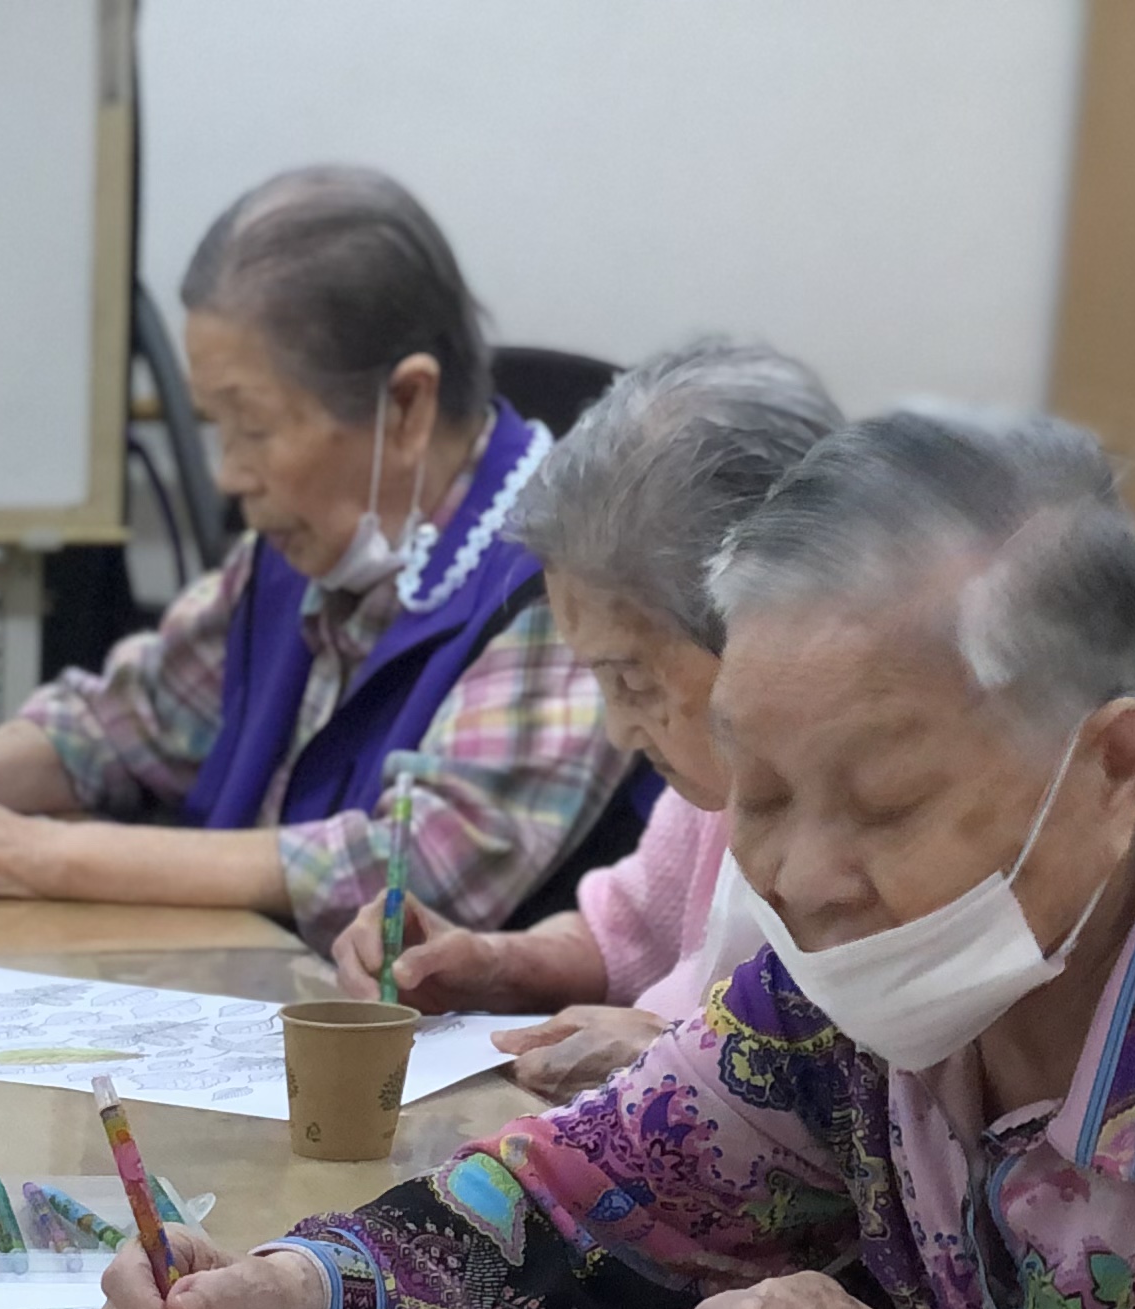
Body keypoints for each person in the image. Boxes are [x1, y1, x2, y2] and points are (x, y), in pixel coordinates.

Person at [98, 409, 1135, 1309]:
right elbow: (573, 1203)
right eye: (761, 793)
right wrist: (292, 1297)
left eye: (886, 803)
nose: (800, 879)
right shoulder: (851, 992)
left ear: (1108, 771)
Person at [0, 167, 635, 942]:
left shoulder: (564, 576)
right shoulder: (302, 552)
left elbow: (418, 868)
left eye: (253, 427)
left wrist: (39, 854)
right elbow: (125, 721)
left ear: (407, 405)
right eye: (216, 426)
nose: (228, 474)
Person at [328, 340, 842, 1096]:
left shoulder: (871, 831)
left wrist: (681, 1057)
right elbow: (625, 931)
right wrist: (493, 966)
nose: (618, 731)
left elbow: (876, 1095)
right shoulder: (718, 793)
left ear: (766, 625)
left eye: (632, 682)